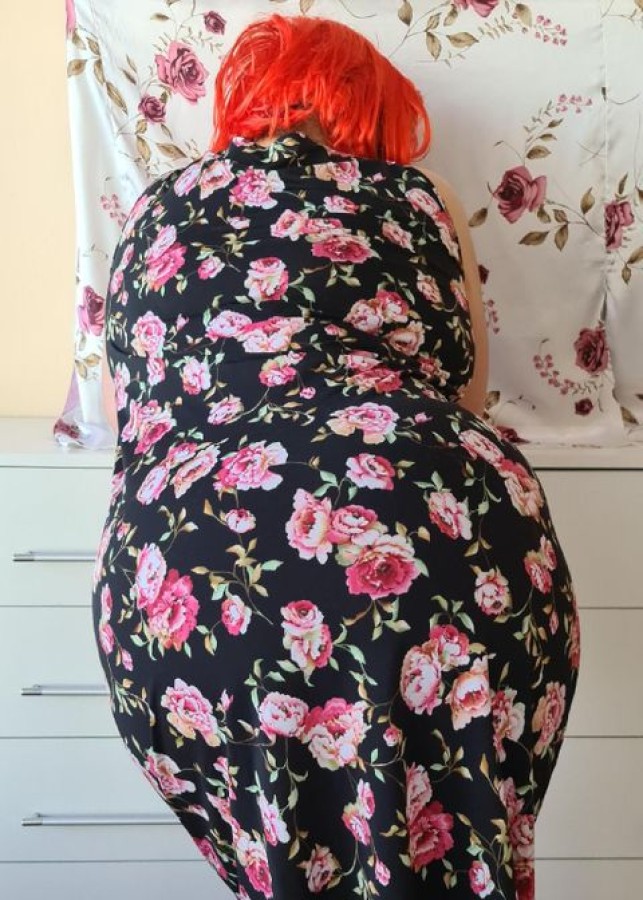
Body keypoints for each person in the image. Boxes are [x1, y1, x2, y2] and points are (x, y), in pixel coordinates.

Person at [93, 13, 580, 900]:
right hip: (444, 535)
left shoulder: (156, 207)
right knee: (454, 835)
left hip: (201, 561)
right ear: (374, 110)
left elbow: (129, 415)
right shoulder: (417, 197)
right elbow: (465, 391)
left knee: (279, 853)